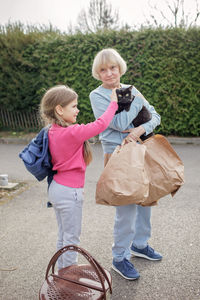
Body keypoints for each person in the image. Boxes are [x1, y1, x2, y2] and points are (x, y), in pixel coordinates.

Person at [90, 48, 162, 281]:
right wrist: (132, 99)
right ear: (98, 73)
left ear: (120, 67)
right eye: (103, 69)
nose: (110, 73)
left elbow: (156, 117)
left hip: (141, 150)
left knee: (145, 202)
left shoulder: (132, 90)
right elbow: (119, 123)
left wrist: (141, 128)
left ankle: (140, 245)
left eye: (113, 67)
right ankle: (120, 257)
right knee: (127, 208)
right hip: (118, 155)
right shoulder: (98, 96)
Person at [40, 84, 118, 270]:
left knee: (64, 235)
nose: (78, 110)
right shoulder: (71, 133)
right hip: (69, 192)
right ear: (59, 109)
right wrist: (113, 102)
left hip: (57, 189)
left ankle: (62, 271)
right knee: (72, 237)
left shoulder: (52, 130)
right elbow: (101, 124)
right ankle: (69, 275)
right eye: (74, 106)